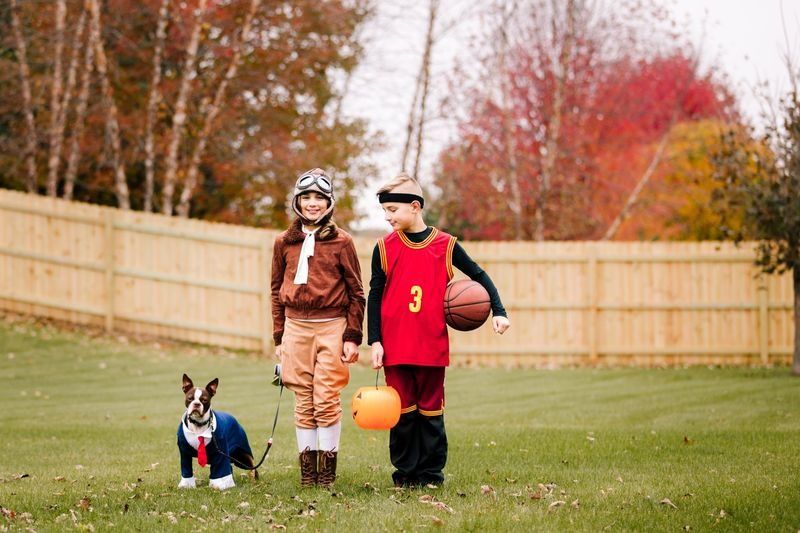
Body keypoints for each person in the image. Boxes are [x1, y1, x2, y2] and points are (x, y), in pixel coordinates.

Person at [368, 172, 510, 488]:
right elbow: (375, 295)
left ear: (414, 206)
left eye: (392, 210)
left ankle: (431, 475)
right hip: (395, 345)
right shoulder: (384, 248)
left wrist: (497, 311)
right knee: (402, 414)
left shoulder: (445, 245)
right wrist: (374, 340)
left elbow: (478, 274)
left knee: (431, 413)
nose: (387, 216)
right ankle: (405, 475)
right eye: (385, 211)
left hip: (431, 345)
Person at [271, 168, 365, 488]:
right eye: (306, 197)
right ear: (297, 201)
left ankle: (327, 475)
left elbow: (356, 292)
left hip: (332, 326)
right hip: (296, 328)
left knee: (325, 398)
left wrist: (352, 336)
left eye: (319, 198)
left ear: (329, 202)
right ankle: (307, 475)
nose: (313, 203)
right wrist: (278, 337)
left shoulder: (342, 242)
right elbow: (275, 292)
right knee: (304, 400)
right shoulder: (284, 242)